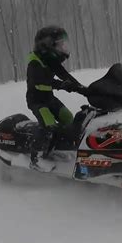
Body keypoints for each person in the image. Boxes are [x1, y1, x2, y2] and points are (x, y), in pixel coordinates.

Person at [26, 25, 85, 168]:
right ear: (47, 46)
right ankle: (37, 157)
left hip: (49, 99)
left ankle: (59, 147)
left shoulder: (51, 60)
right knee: (48, 124)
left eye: (63, 44)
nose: (63, 48)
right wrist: (62, 85)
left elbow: (64, 75)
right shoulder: (35, 61)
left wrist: (83, 88)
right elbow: (41, 81)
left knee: (67, 117)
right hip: (37, 101)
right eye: (60, 45)